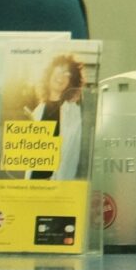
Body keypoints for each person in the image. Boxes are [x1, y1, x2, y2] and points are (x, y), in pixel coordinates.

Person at [28, 53, 86, 181]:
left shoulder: (74, 113)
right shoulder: (37, 112)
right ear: (49, 75)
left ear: (71, 81)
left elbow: (76, 155)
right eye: (59, 71)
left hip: (58, 186)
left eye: (67, 74)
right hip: (33, 184)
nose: (62, 77)